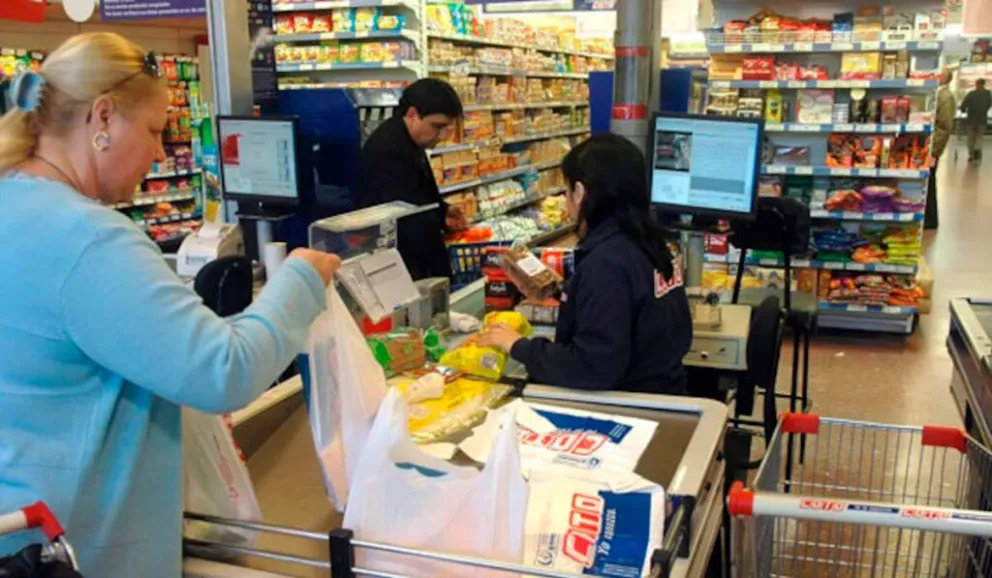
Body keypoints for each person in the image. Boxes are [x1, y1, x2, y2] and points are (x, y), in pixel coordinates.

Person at [0, 33, 341, 578]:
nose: (160, 153)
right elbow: (220, 371)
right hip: (79, 545)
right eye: (156, 131)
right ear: (103, 117)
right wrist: (301, 278)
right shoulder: (88, 238)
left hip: (18, 532)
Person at [478, 133, 693, 394]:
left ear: (580, 192)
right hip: (663, 394)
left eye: (567, 191)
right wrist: (560, 294)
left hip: (627, 408)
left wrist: (518, 346)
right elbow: (631, 312)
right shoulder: (651, 242)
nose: (566, 203)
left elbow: (591, 367)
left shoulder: (606, 263)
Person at [355, 78, 467, 280]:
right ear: (412, 115)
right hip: (396, 266)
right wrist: (441, 275)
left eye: (446, 128)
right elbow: (410, 218)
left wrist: (443, 211)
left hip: (407, 259)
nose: (442, 135)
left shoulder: (409, 140)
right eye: (437, 126)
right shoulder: (388, 151)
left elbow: (419, 196)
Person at [929, 67, 956, 230]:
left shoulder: (945, 96)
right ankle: (929, 218)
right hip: (932, 147)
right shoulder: (938, 94)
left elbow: (944, 127)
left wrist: (933, 151)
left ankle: (931, 220)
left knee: (930, 182)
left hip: (934, 148)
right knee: (929, 181)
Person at [960, 77, 992, 162]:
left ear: (977, 84)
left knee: (970, 138)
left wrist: (963, 110)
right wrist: (984, 110)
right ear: (983, 84)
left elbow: (963, 105)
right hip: (982, 120)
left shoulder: (971, 93)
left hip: (971, 119)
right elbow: (989, 104)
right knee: (979, 137)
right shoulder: (988, 93)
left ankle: (971, 155)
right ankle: (977, 151)